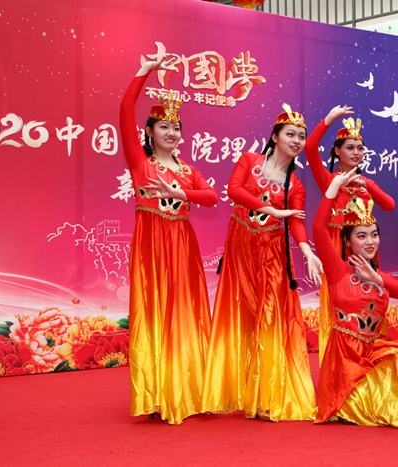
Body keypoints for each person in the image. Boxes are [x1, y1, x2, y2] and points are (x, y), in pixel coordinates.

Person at [202, 104, 322, 422]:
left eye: (301, 136)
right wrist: (271, 210)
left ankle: (266, 394)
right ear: (275, 136)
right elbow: (234, 190)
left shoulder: (295, 186)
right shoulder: (249, 160)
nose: (296, 140)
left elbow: (296, 222)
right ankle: (234, 389)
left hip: (272, 253)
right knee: (241, 313)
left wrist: (308, 252)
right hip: (242, 247)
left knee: (269, 317)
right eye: (290, 134)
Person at [119, 56, 218, 425]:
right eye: (164, 126)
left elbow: (212, 198)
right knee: (155, 311)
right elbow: (125, 109)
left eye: (176, 127)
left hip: (182, 245)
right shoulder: (140, 163)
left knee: (185, 313)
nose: (172, 133)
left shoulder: (189, 170)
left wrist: (180, 193)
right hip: (151, 245)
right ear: (149, 132)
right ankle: (157, 393)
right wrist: (144, 71)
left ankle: (189, 390)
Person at [313, 171, 398, 431]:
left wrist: (377, 279)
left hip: (371, 351)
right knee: (374, 400)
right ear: (347, 241)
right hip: (344, 359)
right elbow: (319, 229)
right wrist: (334, 187)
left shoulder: (381, 277)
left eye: (374, 235)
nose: (370, 242)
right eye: (361, 236)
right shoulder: (337, 270)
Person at [304, 105, 395, 362]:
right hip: (336, 248)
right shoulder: (330, 180)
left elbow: (389, 205)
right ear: (337, 151)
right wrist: (329, 119)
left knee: (369, 299)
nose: (356, 153)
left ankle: (369, 355)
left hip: (364, 251)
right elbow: (310, 148)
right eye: (350, 148)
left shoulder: (367, 184)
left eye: (360, 148)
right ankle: (338, 359)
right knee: (338, 305)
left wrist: (367, 185)